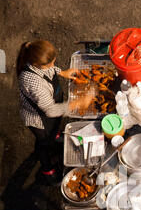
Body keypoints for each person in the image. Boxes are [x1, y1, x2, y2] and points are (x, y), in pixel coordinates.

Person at [17, 39, 93, 185]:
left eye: (54, 62)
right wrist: (78, 103)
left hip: (50, 111)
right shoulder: (34, 83)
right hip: (39, 120)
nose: (53, 65)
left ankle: (55, 136)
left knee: (53, 132)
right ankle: (48, 170)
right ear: (36, 64)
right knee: (43, 144)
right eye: (50, 64)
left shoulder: (37, 62)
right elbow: (51, 111)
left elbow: (49, 69)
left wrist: (62, 72)